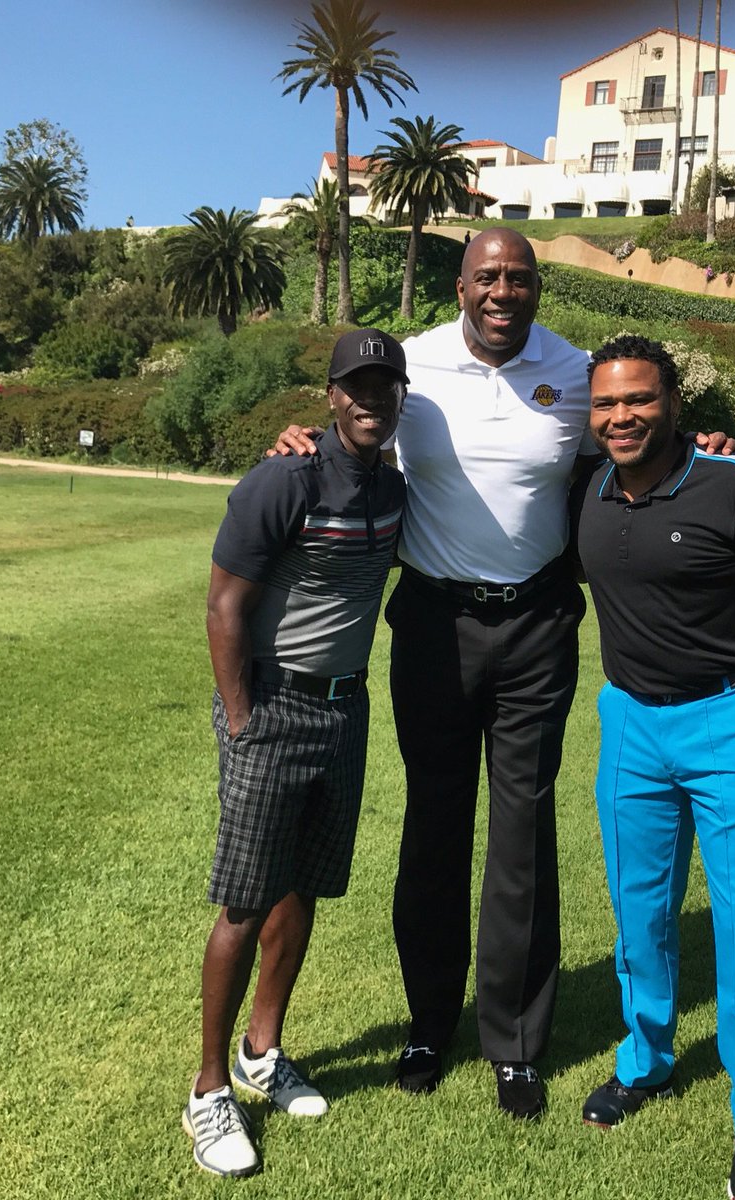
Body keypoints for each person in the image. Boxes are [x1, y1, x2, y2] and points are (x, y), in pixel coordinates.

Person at [272, 229, 735, 1120]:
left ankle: (517, 1043)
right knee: (435, 822)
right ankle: (427, 1021)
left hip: (535, 622)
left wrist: (700, 439)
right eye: (487, 276)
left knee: (522, 831)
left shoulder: (573, 371)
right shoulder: (413, 368)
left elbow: (630, 444)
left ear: (536, 288)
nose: (502, 291)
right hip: (433, 624)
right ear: (460, 286)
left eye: (517, 278)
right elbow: (355, 428)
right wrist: (298, 436)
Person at [572, 334, 735, 1200]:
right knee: (639, 911)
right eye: (606, 404)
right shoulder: (591, 483)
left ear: (675, 401)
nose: (621, 418)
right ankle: (645, 1060)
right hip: (631, 726)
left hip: (731, 725)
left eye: (638, 400)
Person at [184, 329, 408, 1177]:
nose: (369, 399)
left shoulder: (393, 488)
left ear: (399, 399)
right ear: (330, 394)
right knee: (244, 903)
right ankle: (209, 1091)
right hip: (270, 707)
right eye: (355, 385)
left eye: (384, 387)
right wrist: (242, 719)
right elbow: (222, 607)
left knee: (302, 888)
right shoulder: (285, 477)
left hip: (344, 711)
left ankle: (262, 1050)